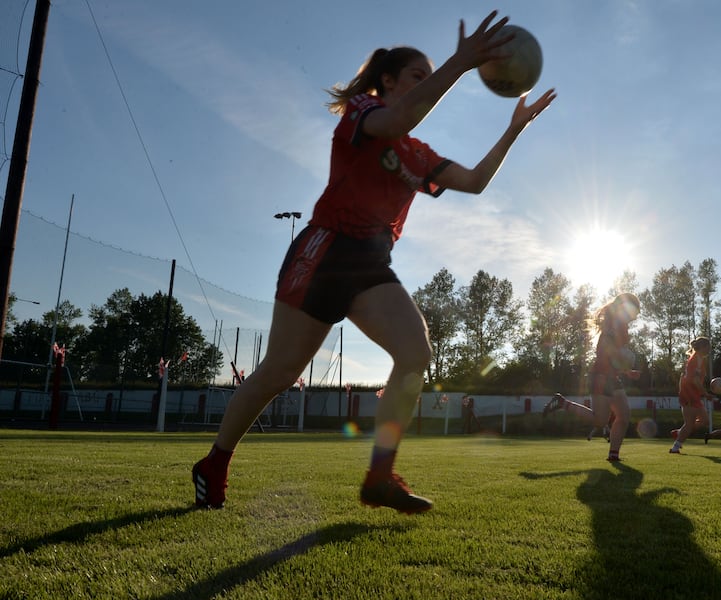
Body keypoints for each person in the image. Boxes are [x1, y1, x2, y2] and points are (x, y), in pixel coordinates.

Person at [191, 12, 557, 514]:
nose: (424, 85)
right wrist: (461, 62)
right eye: (416, 76)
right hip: (325, 249)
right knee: (278, 373)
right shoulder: (363, 112)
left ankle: (379, 477)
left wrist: (514, 129)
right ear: (388, 80)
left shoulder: (417, 150)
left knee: (415, 352)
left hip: (369, 262)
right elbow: (400, 117)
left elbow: (474, 181)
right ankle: (214, 462)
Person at [542, 293, 642, 462]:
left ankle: (613, 455)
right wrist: (621, 359)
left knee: (623, 416)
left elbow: (613, 357)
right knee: (600, 421)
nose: (637, 314)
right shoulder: (612, 325)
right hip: (601, 377)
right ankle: (562, 403)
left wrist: (626, 370)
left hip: (611, 377)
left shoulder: (622, 327)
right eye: (636, 310)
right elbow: (603, 351)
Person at [668, 337, 712, 454]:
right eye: (708, 347)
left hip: (693, 394)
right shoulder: (694, 360)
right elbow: (694, 380)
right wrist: (705, 393)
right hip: (689, 395)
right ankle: (675, 447)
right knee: (690, 424)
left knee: (704, 421)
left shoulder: (699, 360)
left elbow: (683, 377)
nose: (709, 349)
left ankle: (679, 433)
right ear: (702, 347)